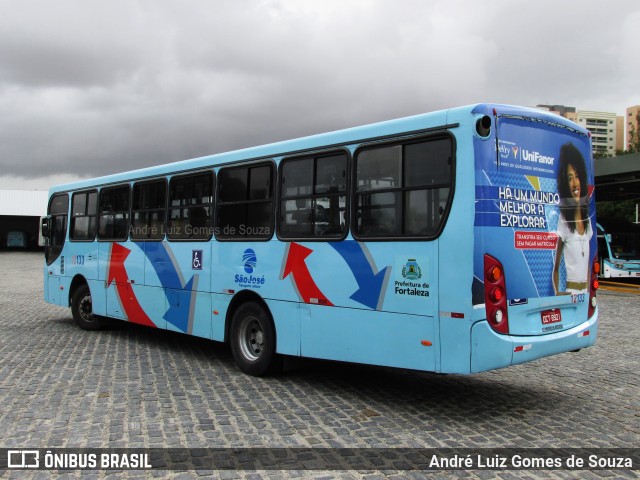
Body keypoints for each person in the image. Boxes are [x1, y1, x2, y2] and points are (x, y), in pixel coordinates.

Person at [553, 143, 591, 295]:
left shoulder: (588, 221)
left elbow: (588, 264)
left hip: (586, 293)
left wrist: (589, 293)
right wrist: (558, 294)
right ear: (565, 184)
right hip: (572, 293)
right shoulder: (563, 221)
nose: (575, 183)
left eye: (577, 176)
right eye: (570, 178)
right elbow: (555, 267)